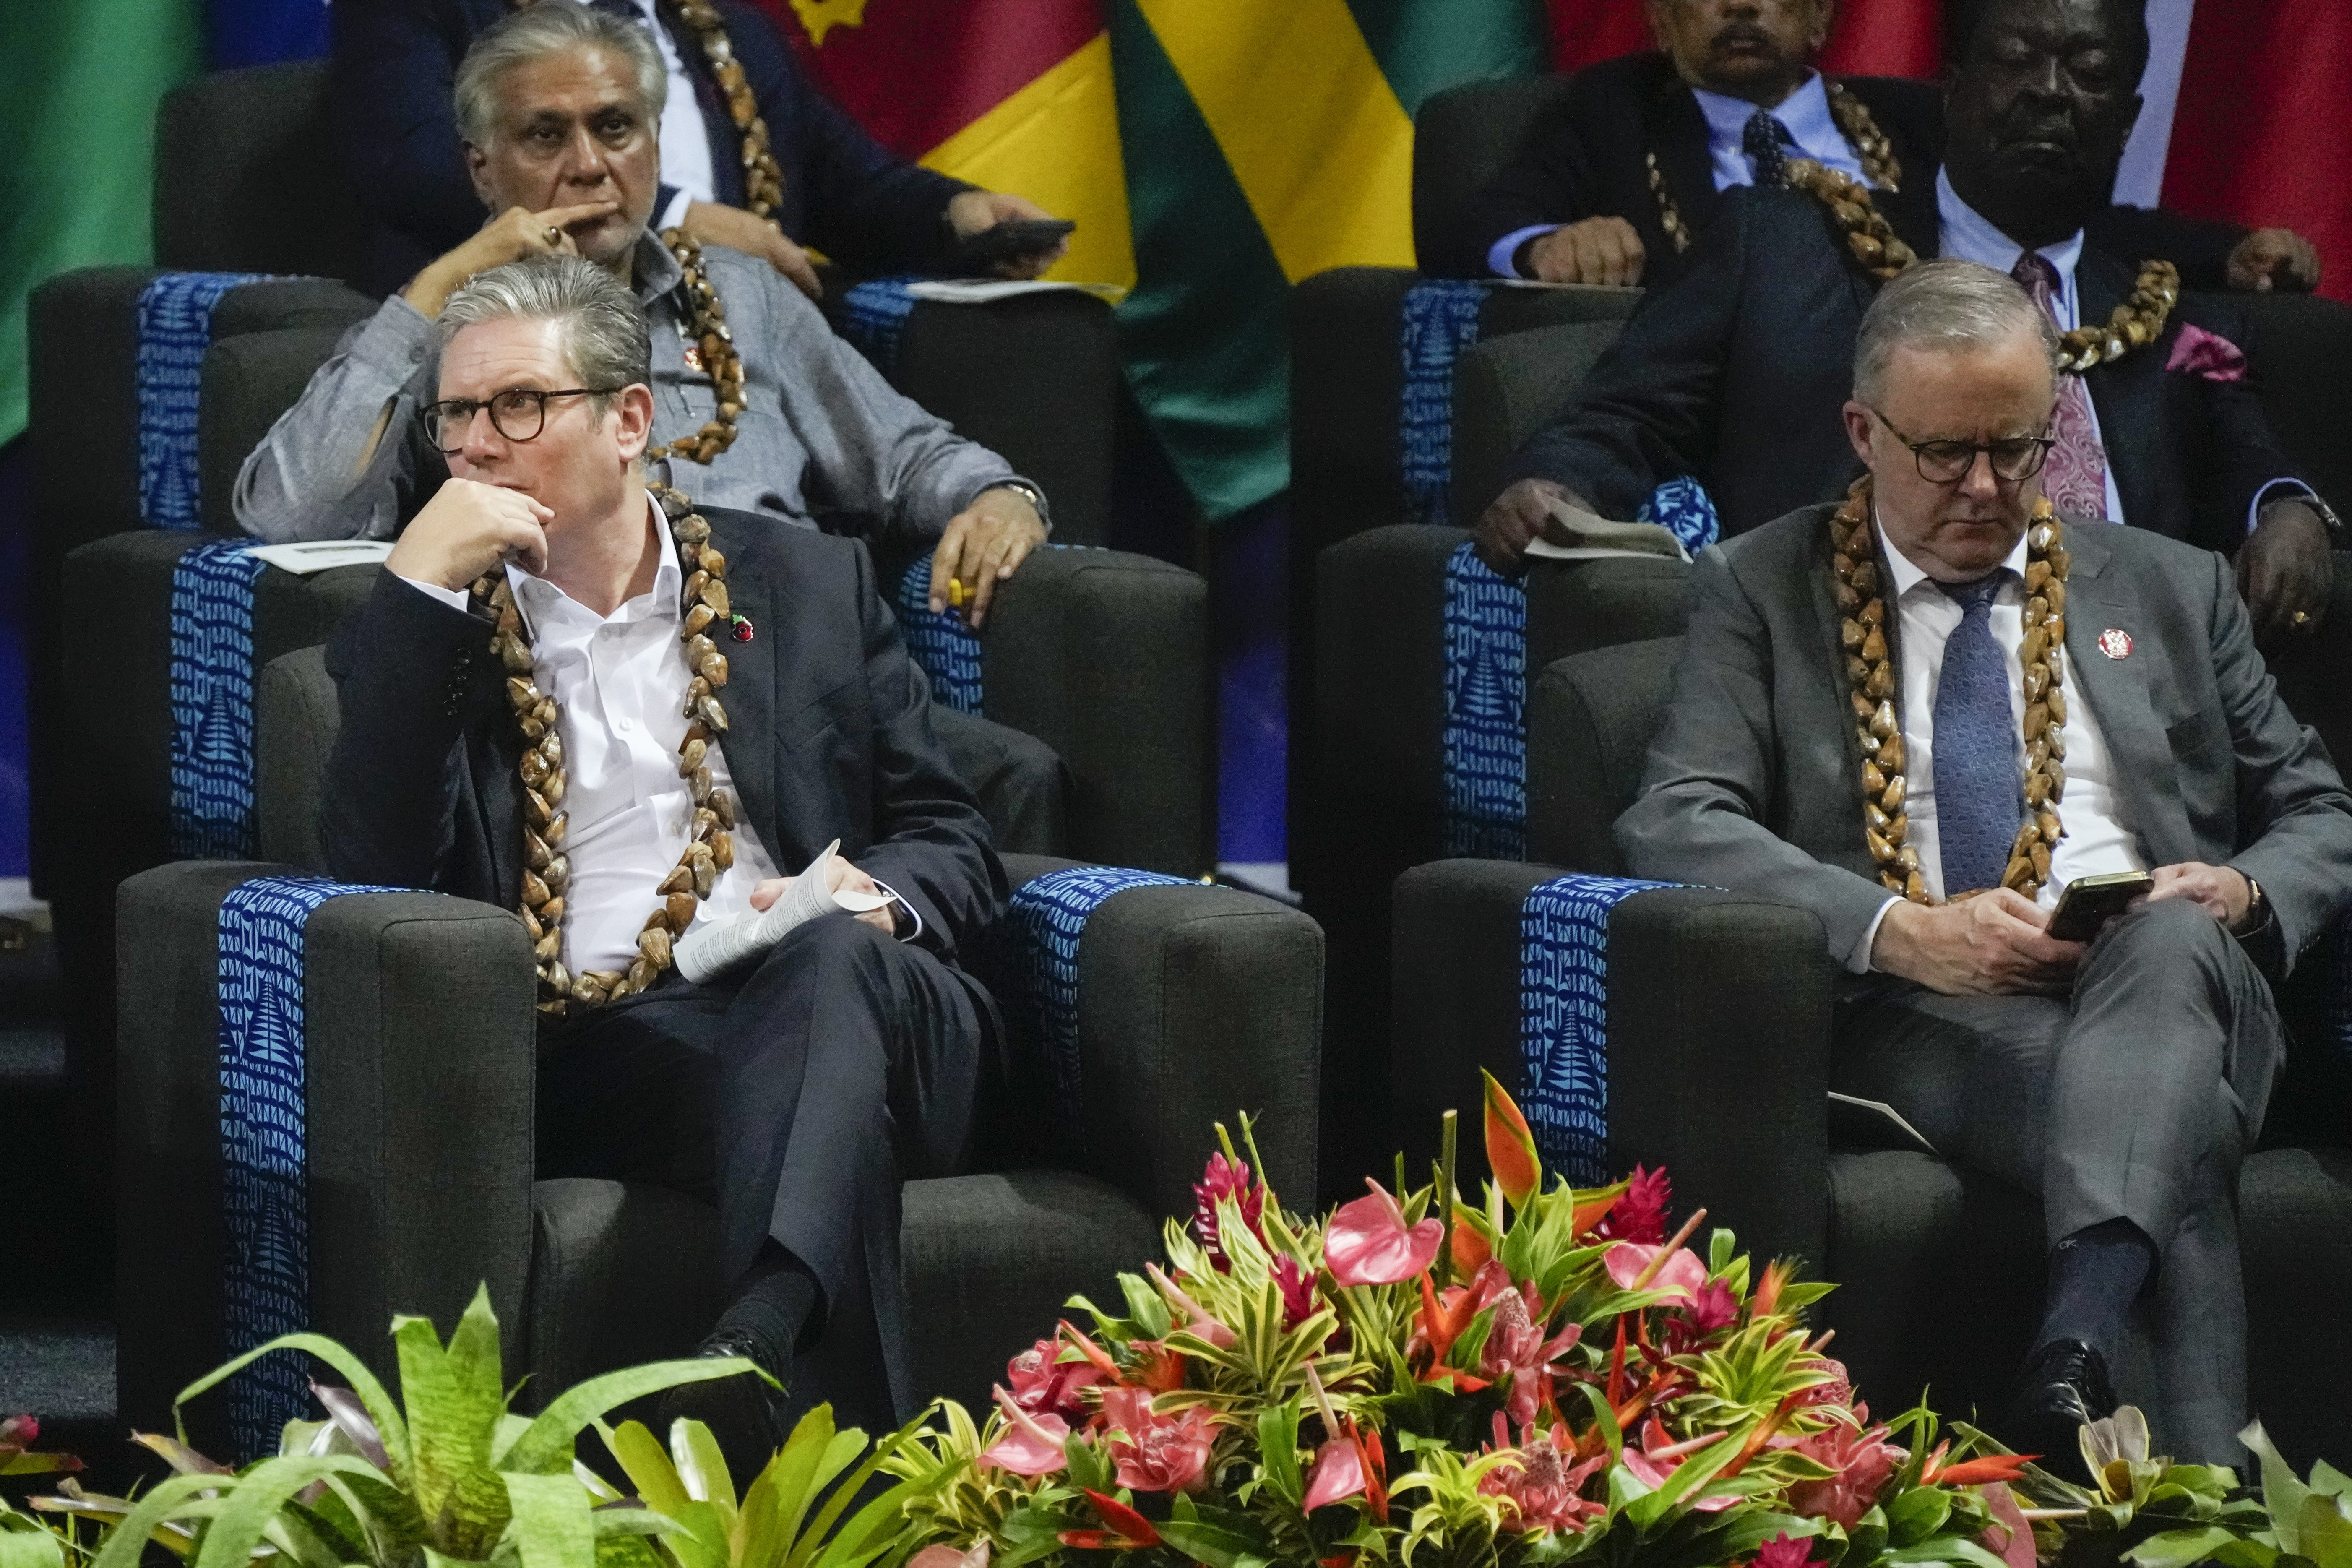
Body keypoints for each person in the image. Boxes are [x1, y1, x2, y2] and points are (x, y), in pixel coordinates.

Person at [1614, 257, 2352, 1468]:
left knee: (2170, 939)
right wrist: (1902, 930)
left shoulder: (2170, 586)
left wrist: (2244, 888)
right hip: (1929, 1007)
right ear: (1863, 431)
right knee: (2176, 1128)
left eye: (2016, 448)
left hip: (2177, 974)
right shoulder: (1758, 586)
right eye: (1942, 452)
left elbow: (2320, 812)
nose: (1986, 486)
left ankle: (2075, 1350)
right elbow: (1674, 817)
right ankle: (2186, 1480)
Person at [321, 250, 1003, 1458]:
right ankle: (791, 1375)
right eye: (457, 416)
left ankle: (766, 1327)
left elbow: (951, 834)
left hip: (879, 1011)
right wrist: (416, 585)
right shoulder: (429, 641)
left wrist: (864, 904)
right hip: (617, 1050)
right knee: (805, 1076)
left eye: (520, 406)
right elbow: (373, 877)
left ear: (631, 419)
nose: (477, 446)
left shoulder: (804, 581)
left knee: (829, 964)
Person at [1476, 0, 2338, 649]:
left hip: (2125, 686)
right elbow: (1626, 413)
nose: (2048, 94)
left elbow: (2245, 457)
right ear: (1952, 92)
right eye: (2017, 61)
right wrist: (1557, 483)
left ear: (2124, 117)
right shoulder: (1779, 247)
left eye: (2085, 70)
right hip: (1851, 666)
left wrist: (2287, 509)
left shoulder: (2159, 304)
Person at [242, 2, 1041, 628]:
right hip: (563, 688)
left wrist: (1004, 496)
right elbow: (293, 512)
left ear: (654, 147)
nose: (588, 165)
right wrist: (435, 288)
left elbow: (910, 457)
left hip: (780, 658)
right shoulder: (455, 338)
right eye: (546, 136)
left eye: (615, 128)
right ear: (483, 172)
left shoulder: (745, 299)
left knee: (1012, 777)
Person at [1444, 0, 2319, 294]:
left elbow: (2063, 220)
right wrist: (1542, 246)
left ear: (1821, 14)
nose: (1742, 5)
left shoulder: (1914, 115)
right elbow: (1468, 222)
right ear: (1658, 20)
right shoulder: (1614, 112)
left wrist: (2224, 255)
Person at [333, 0, 1067, 300]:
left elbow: (846, 183)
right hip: (521, 345)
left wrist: (958, 215)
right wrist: (672, 216)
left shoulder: (727, 31)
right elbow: (415, 165)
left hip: (741, 366)